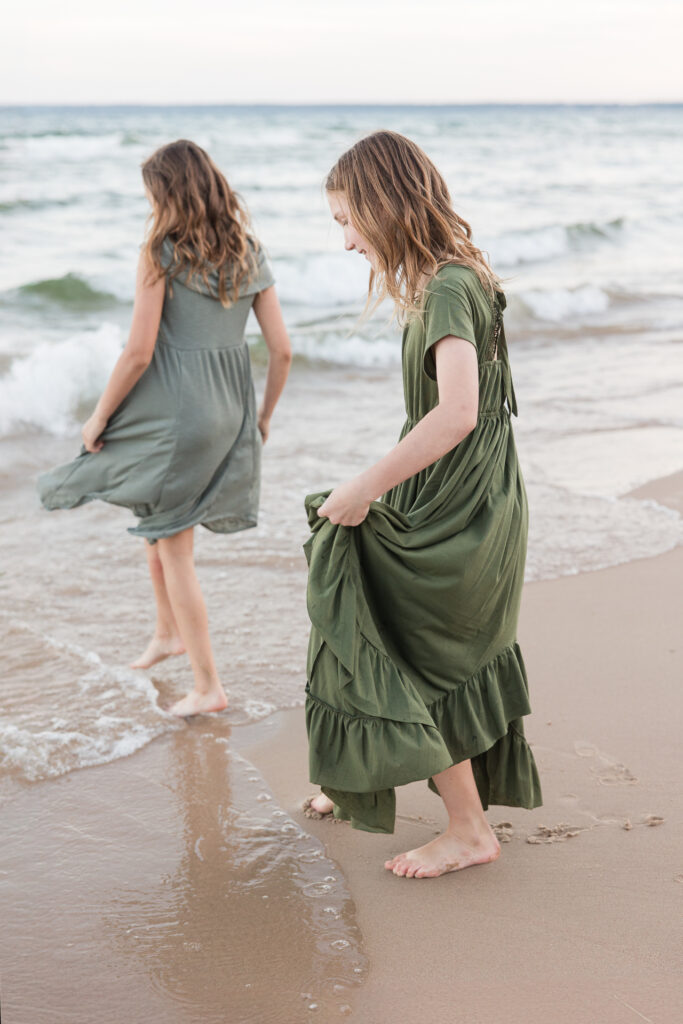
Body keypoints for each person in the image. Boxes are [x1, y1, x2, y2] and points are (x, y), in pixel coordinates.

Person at [304, 130, 541, 878]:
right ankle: (350, 777)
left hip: (464, 507)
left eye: (347, 220)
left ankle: (468, 831)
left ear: (382, 205)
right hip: (469, 493)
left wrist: (363, 487)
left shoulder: (442, 287)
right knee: (361, 598)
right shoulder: (457, 273)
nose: (345, 243)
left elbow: (458, 413)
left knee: (402, 640)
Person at [38, 140, 292, 717]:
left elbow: (137, 352)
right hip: (229, 411)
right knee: (158, 517)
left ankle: (208, 685)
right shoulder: (250, 252)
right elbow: (282, 351)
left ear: (167, 194)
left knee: (177, 550)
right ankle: (165, 634)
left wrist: (98, 416)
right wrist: (263, 418)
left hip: (180, 415)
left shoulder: (160, 253)